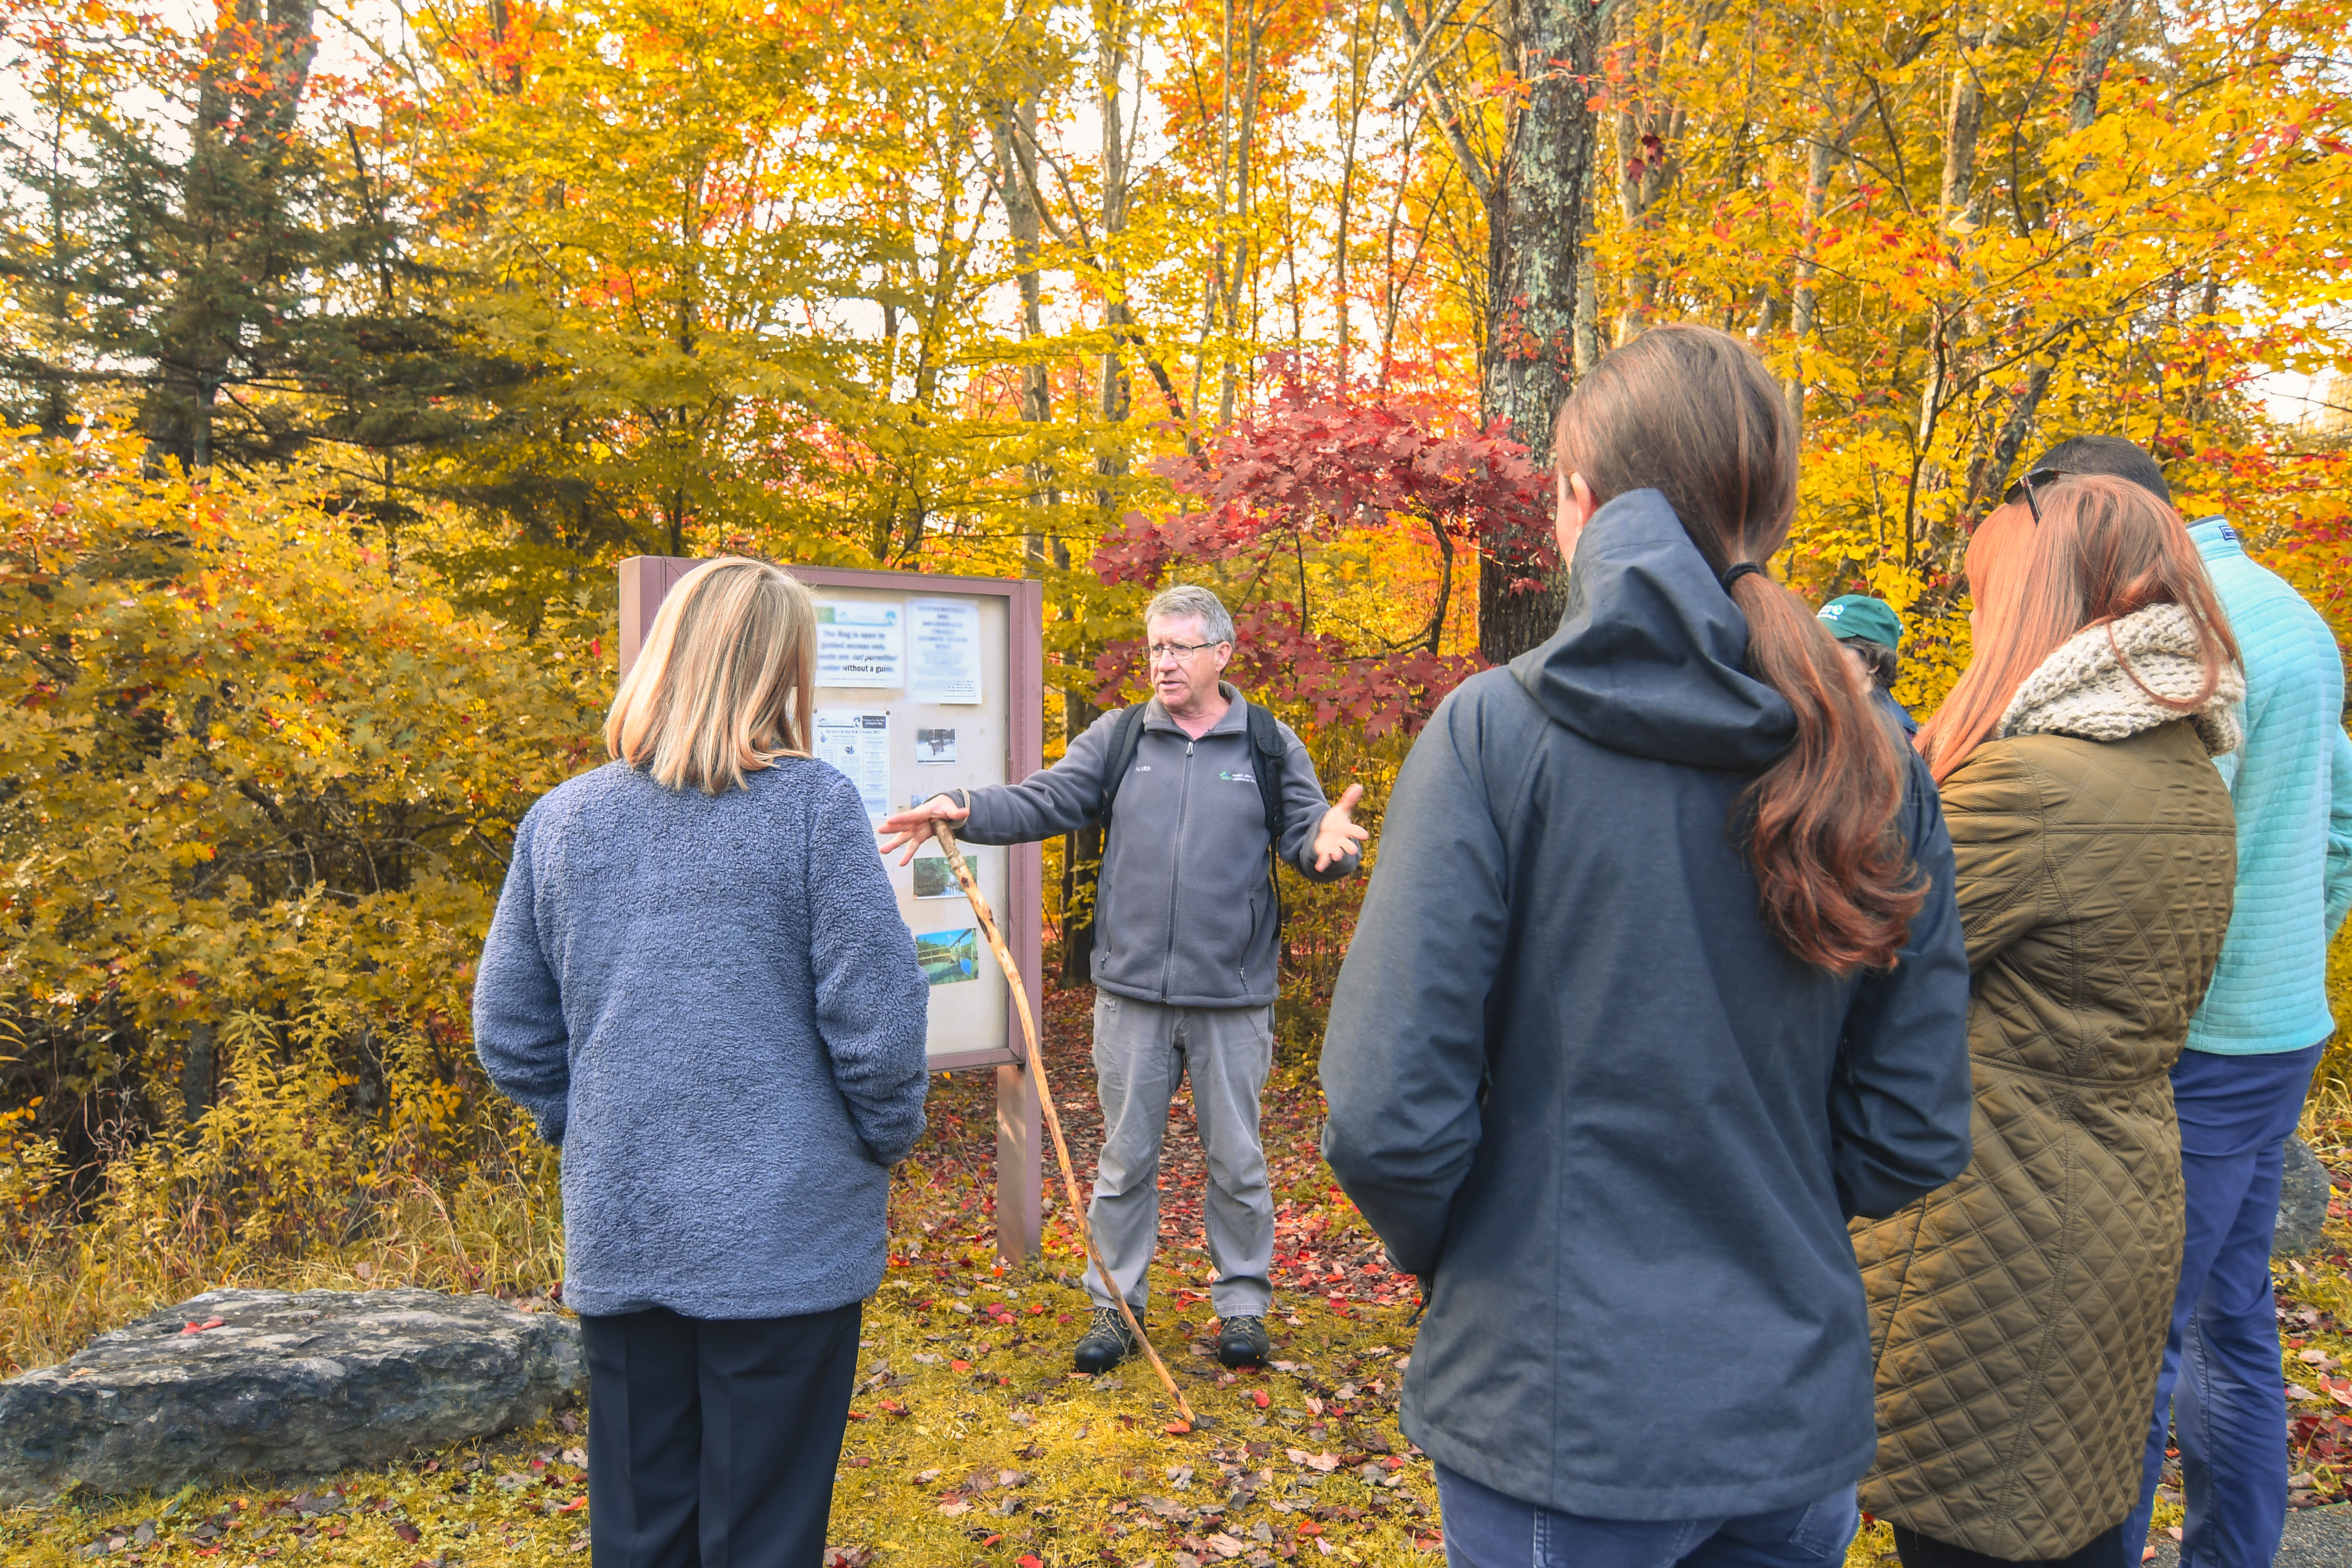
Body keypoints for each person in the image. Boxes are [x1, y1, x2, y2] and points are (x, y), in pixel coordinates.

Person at [1318, 324, 1975, 1568]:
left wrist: (1486, 1255)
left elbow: (1382, 1111)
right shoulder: (1874, 755)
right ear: (1758, 513)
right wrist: (1761, 1207)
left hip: (1566, 1417)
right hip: (1781, 1403)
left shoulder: (1494, 736)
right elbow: (1909, 1124)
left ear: (1577, 502)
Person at [473, 558, 931, 1568]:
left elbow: (509, 1029)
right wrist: (879, 1138)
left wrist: (591, 1121)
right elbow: (881, 1026)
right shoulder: (812, 808)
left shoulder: (562, 819)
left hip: (625, 1219)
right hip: (786, 1237)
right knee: (762, 1532)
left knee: (640, 1530)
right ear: (778, 670)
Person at [1854, 472, 2244, 1568]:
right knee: (2063, 1532)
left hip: (1999, 1243)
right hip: (2119, 1204)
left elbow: (1854, 966)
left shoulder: (2034, 787)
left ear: (2040, 602)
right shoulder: (2187, 768)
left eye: (1989, 596)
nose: (1979, 620)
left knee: (1967, 1540)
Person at [878, 583, 1367, 1373]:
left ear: (1221, 654)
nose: (1162, 662)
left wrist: (1328, 847)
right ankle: (1116, 1306)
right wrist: (962, 805)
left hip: (1232, 997)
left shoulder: (1269, 747)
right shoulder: (1120, 738)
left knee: (1236, 1159)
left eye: (1177, 647)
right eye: (1153, 648)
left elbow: (1310, 833)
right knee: (1124, 1159)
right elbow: (1047, 799)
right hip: (1131, 994)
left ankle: (1241, 1306)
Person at [2090, 446, 2352, 1565]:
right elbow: (2340, 826)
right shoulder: (2296, 616)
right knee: (2233, 1319)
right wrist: (2291, 947)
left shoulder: (2185, 634)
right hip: (2279, 1028)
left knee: (2132, 1341)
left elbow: (2147, 858)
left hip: (2190, 1043)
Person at [1818, 593, 1917, 735]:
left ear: (1874, 663)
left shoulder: (1891, 735)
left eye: (1831, 648)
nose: (1816, 656)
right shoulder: (1822, 712)